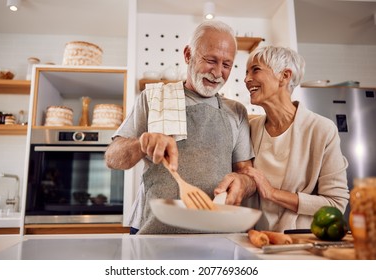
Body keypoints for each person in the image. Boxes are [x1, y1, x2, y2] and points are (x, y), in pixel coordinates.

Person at [105, 20, 256, 234]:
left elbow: (248, 175)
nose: (217, 72)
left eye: (227, 65)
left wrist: (243, 182)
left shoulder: (236, 112)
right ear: (188, 55)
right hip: (154, 230)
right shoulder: (153, 99)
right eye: (211, 60)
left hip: (216, 234)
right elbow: (113, 158)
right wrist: (141, 144)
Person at [243, 46, 350, 232]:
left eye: (256, 69)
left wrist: (273, 193)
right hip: (255, 238)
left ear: (284, 76)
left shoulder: (321, 130)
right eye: (246, 72)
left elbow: (335, 204)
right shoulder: (250, 129)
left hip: (299, 240)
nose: (246, 79)